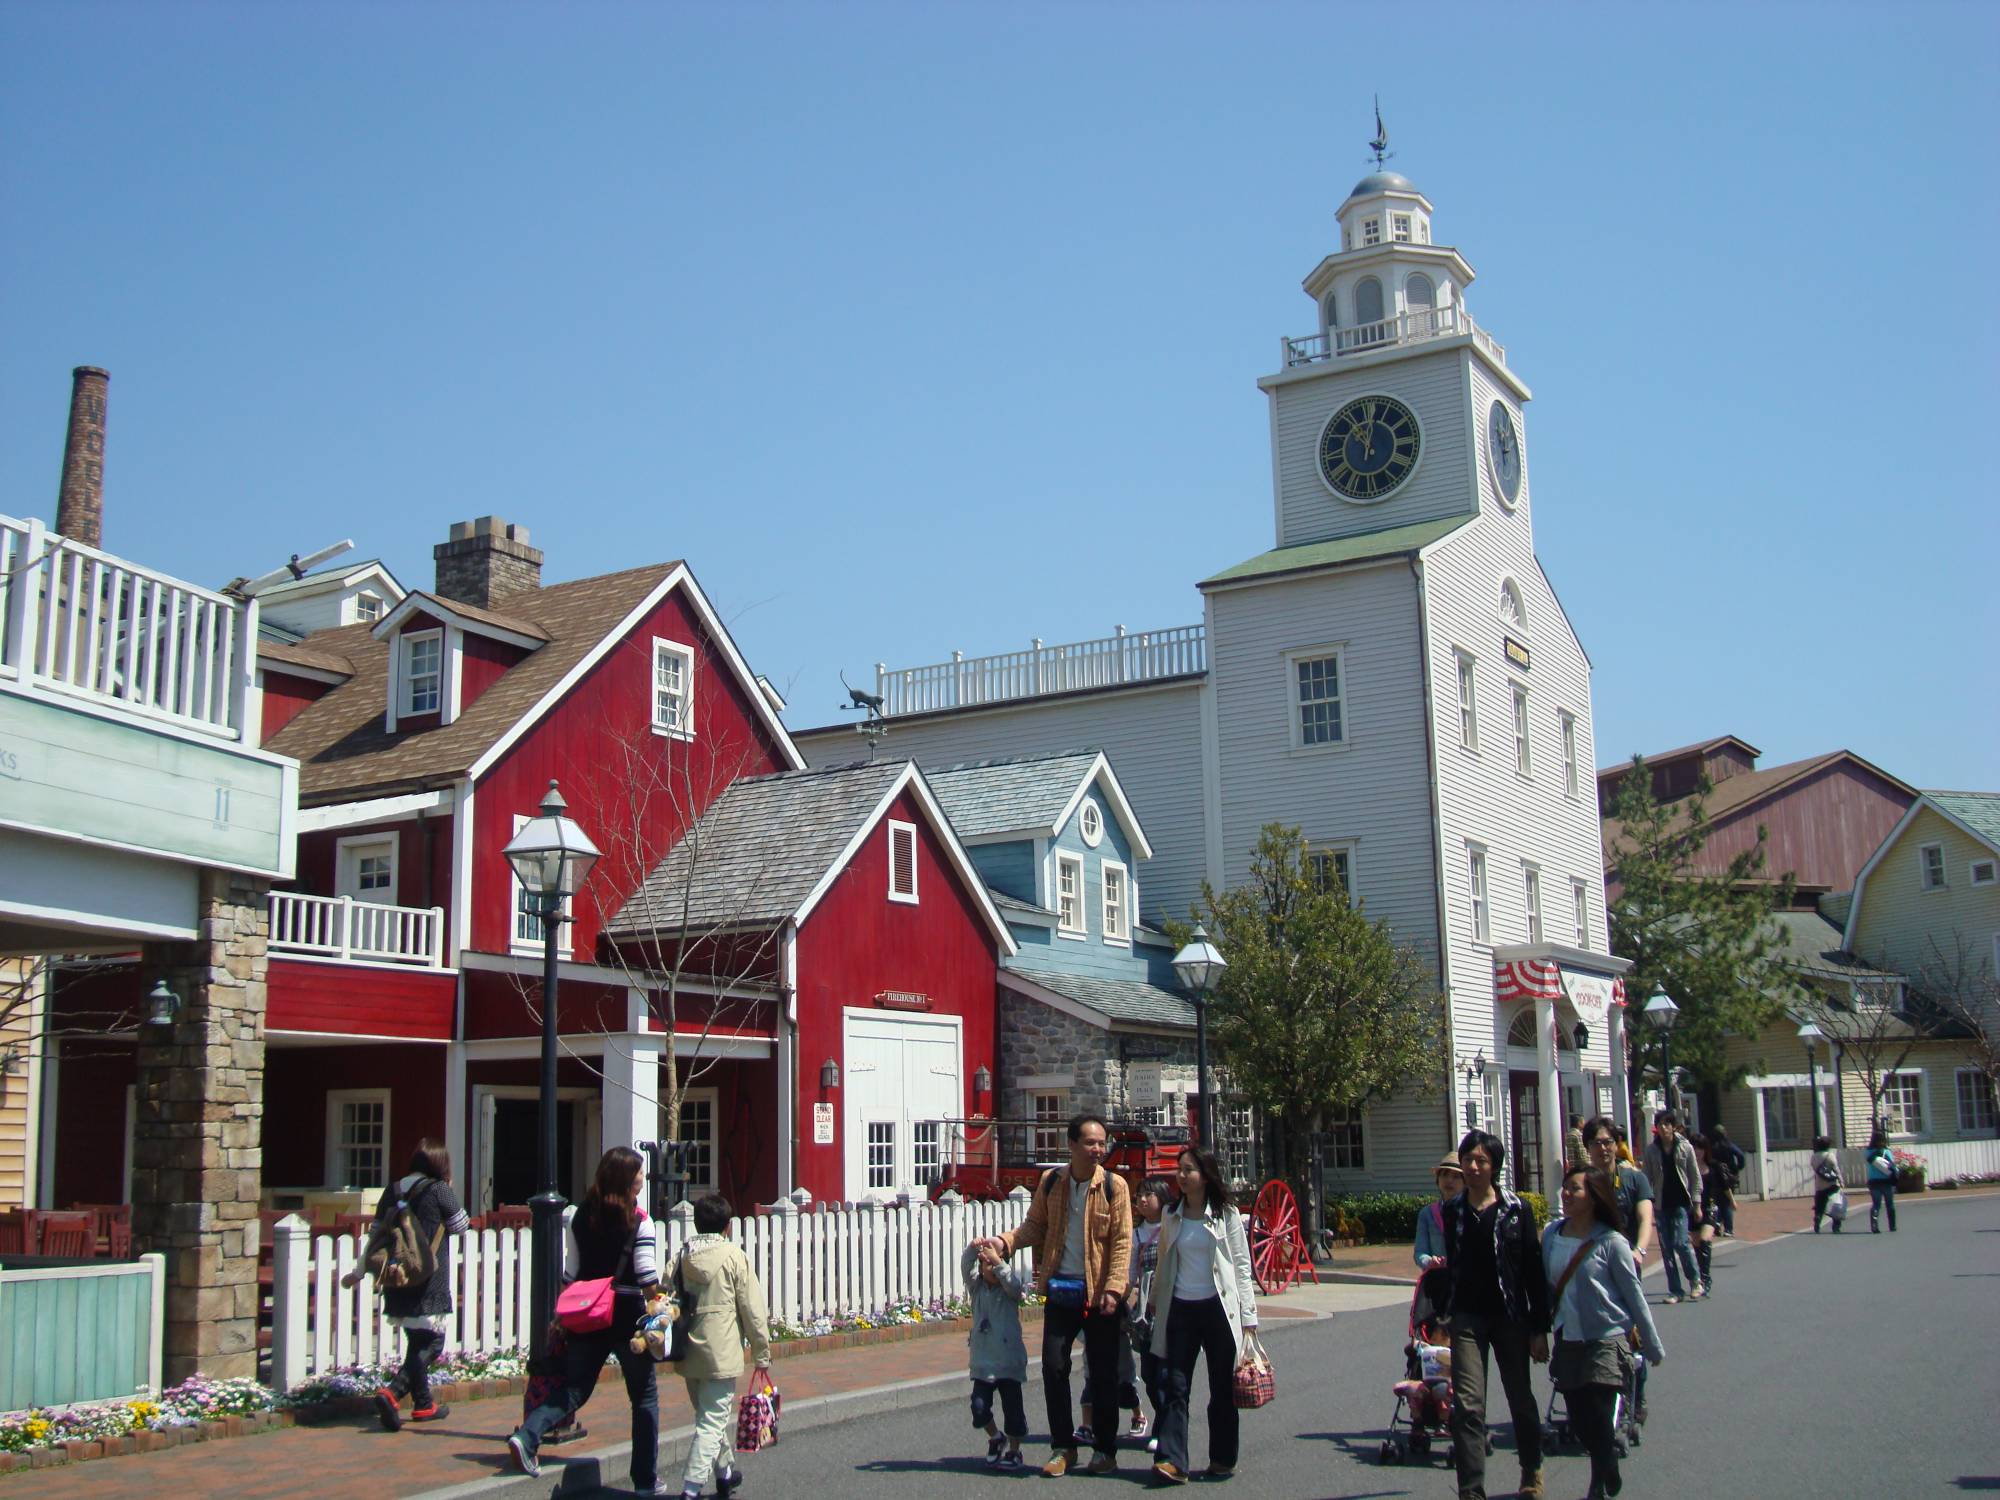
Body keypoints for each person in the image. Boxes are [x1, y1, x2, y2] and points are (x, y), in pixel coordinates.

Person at [975, 1113, 1133, 1477]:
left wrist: (1114, 1288)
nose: (1098, 1149)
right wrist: (1005, 1242)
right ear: (1072, 1145)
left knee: (1104, 1374)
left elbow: (1123, 1242)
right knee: (1053, 1366)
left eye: (1101, 1143)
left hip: (1099, 1294)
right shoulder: (1052, 1182)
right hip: (1062, 1290)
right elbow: (1035, 1226)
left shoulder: (1115, 1186)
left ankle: (1105, 1449)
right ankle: (1064, 1447)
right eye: (1091, 1143)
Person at [509, 1148, 671, 1492]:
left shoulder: (581, 1216)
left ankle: (528, 1435)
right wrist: (661, 1300)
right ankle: (644, 1480)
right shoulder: (640, 1220)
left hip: (590, 1311)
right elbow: (645, 1276)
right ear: (627, 1179)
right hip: (628, 1314)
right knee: (643, 1397)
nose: (643, 1177)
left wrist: (561, 1314)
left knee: (576, 1388)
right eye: (639, 1173)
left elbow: (571, 1271)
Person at [1543, 1166, 1665, 1500]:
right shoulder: (1552, 1236)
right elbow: (1543, 1289)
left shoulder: (1611, 1242)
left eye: (1576, 1189)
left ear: (1594, 1197)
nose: (1566, 1194)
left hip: (1607, 1337)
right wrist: (1538, 1331)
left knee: (1599, 1412)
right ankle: (1607, 1460)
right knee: (1579, 1419)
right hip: (1567, 1336)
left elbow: (1633, 1295)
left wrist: (1652, 1346)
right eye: (1565, 1188)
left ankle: (1598, 1481)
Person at [1440, 1129, 1550, 1500]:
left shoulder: (1516, 1211)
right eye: (1467, 1159)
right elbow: (1451, 1267)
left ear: (1494, 1167)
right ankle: (1471, 1490)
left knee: (1519, 1395)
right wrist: (1445, 1314)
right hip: (1467, 1318)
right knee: (1469, 1405)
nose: (1471, 1166)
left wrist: (1539, 1327)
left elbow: (1534, 1271)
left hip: (1509, 1316)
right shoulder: (1452, 1209)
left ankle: (1531, 1469)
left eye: (1480, 1160)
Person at [1144, 1146, 1258, 1486]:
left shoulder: (1227, 1215)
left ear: (1205, 1176)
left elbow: (1241, 1267)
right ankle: (1172, 1460)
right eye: (1179, 1169)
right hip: (1181, 1308)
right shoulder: (1171, 1214)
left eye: (1189, 1170)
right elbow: (1164, 1259)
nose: (1181, 1175)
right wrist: (1153, 1300)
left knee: (1222, 1389)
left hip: (1218, 1309)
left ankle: (1222, 1459)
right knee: (1175, 1385)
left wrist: (1249, 1319)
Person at [354, 1139, 471, 1431]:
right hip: (428, 1276)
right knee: (432, 1341)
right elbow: (461, 1225)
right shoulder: (439, 1189)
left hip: (398, 1274)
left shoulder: (393, 1190)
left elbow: (376, 1230)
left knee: (415, 1339)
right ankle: (393, 1392)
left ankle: (423, 1404)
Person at [669, 1192, 774, 1500]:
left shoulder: (682, 1255)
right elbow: (752, 1309)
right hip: (722, 1347)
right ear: (727, 1226)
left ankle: (725, 1472)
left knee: (707, 1414)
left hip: (688, 1347)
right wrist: (761, 1352)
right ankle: (690, 1487)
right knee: (711, 1421)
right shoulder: (733, 1256)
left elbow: (667, 1293)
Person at [1582, 1116, 1653, 1424]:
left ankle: (1637, 1393)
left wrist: (1640, 1249)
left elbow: (1645, 1215)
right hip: (1593, 1270)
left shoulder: (1633, 1179)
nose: (1603, 1149)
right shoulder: (1583, 1182)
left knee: (1630, 1334)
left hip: (1624, 1268)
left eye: (1608, 1142)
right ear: (1587, 1148)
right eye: (1597, 1143)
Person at [962, 1240, 1028, 1470]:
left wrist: (999, 1262)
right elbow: (965, 1266)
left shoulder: (1009, 1291)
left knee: (1013, 1411)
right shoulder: (977, 1288)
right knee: (979, 1408)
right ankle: (995, 1437)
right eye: (983, 1264)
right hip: (983, 1362)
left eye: (991, 1264)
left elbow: (1014, 1284)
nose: (986, 1268)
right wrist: (973, 1249)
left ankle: (1014, 1450)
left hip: (1008, 1362)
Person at [1124, 1175, 1173, 1452]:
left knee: (1166, 1372)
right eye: (1140, 1195)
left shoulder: (1171, 1227)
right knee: (1150, 1374)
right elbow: (1131, 1273)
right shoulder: (1137, 1233)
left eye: (1149, 1195)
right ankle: (1161, 1418)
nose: (1142, 1200)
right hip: (1145, 1310)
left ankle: (1164, 1428)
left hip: (1168, 1305)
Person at [1642, 1111, 1704, 1304]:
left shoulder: (1685, 1147)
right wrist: (1645, 1201)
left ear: (1673, 1126)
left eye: (1666, 1124)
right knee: (1666, 1248)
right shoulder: (1652, 1150)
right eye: (1659, 1124)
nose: (1663, 1128)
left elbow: (1694, 1176)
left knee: (1680, 1242)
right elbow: (1647, 1178)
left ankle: (1695, 1281)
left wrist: (1697, 1204)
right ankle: (1675, 1290)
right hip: (1661, 1204)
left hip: (1680, 1203)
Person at [1414, 1151, 1465, 1273]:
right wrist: (1429, 1261)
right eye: (1444, 1175)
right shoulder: (1427, 1214)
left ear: (1466, 1182)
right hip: (1438, 1281)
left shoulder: (1472, 1212)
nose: (1449, 1180)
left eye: (1456, 1176)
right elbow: (1420, 1252)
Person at [1707, 1122, 1745, 1234]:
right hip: (1728, 1175)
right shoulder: (1728, 1145)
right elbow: (1740, 1155)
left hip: (1715, 1175)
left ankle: (1717, 1224)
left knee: (1716, 1201)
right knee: (1727, 1201)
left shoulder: (1711, 1146)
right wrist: (1738, 1167)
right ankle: (1728, 1228)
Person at [1865, 1126, 1899, 1233]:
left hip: (1873, 1181)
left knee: (1876, 1204)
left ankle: (1874, 1225)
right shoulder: (1886, 1152)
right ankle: (1892, 1226)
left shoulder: (1868, 1152)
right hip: (1886, 1181)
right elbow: (1892, 1165)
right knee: (1890, 1204)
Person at [1810, 1134, 1843, 1233]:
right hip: (1832, 1184)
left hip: (1819, 1184)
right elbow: (1836, 1169)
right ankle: (1836, 1226)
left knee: (1820, 1205)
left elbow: (1814, 1167)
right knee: (1835, 1204)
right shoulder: (1830, 1155)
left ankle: (1818, 1218)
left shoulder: (1814, 1156)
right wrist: (1841, 1181)